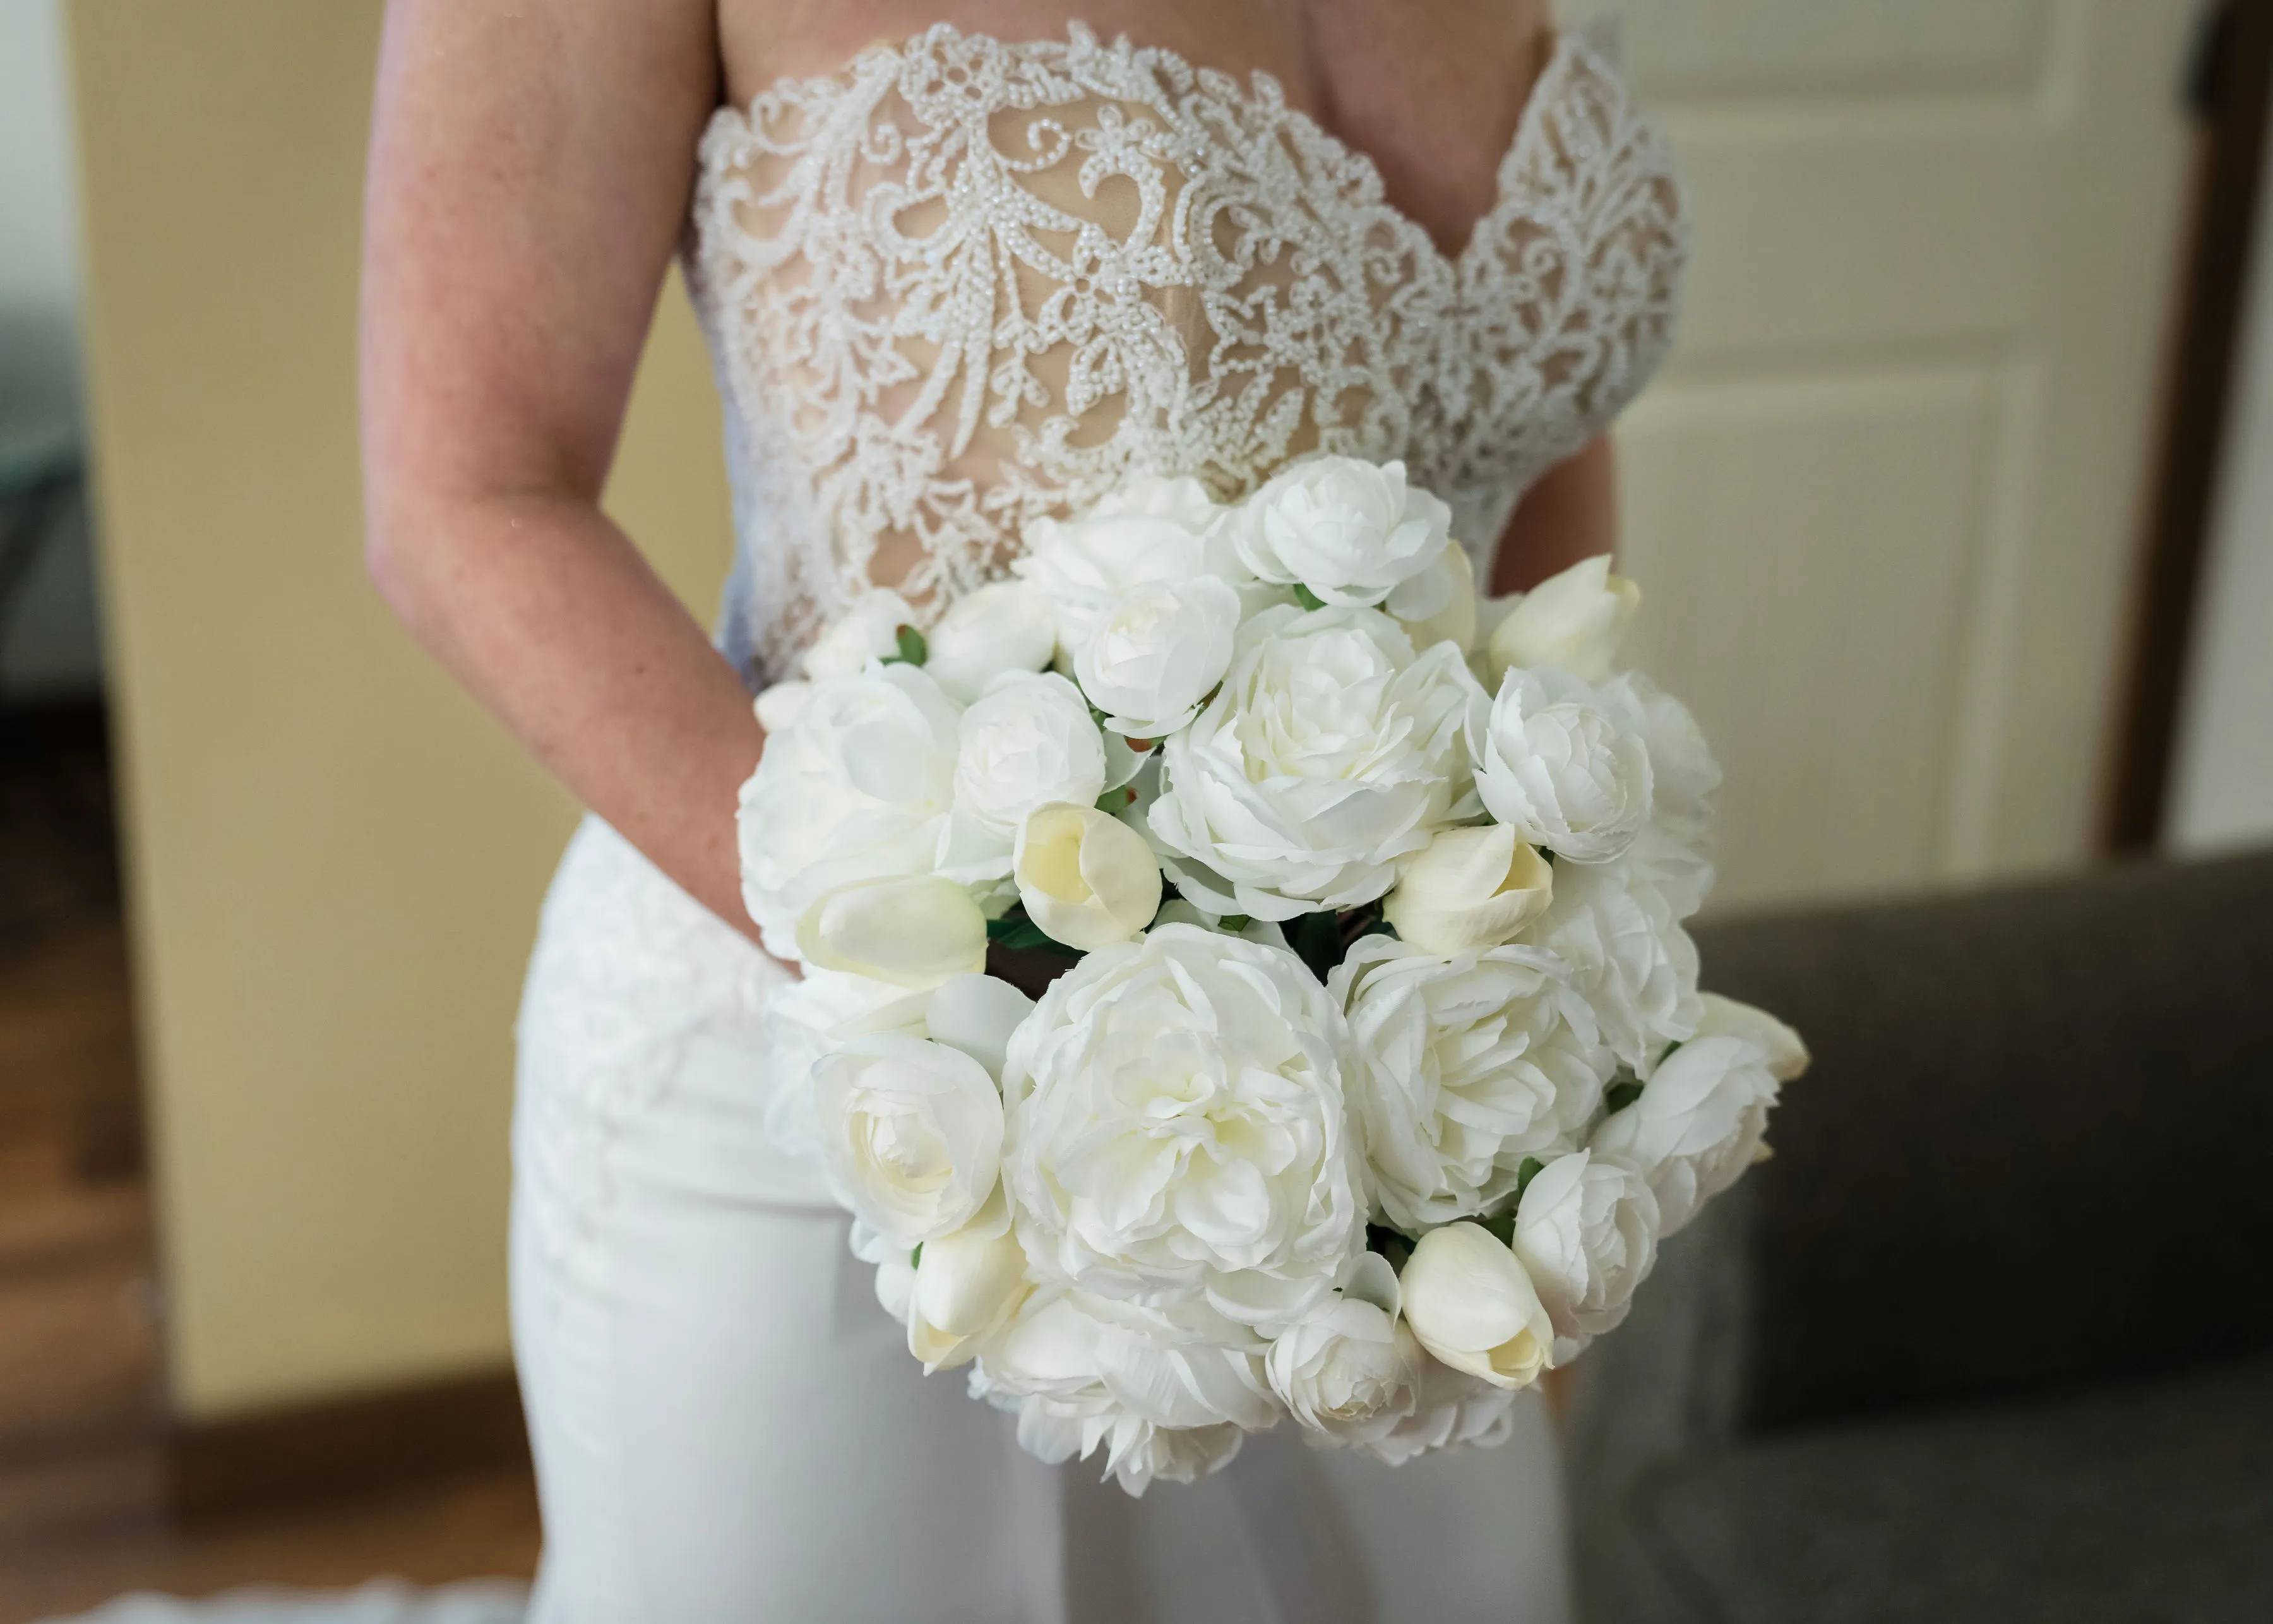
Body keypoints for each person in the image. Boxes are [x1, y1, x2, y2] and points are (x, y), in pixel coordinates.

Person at [360, 2, 1685, 1618]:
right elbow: (467, 493)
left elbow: (1525, 409)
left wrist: (1531, 913)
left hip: (1388, 1124)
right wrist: (996, 1021)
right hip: (845, 1105)